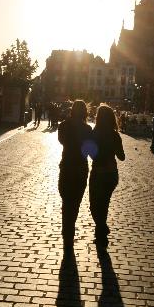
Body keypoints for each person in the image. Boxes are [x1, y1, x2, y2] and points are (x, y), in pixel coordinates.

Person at [58, 99, 93, 251]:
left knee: (66, 202)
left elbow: (61, 141)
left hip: (66, 167)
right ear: (85, 111)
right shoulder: (87, 129)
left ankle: (66, 232)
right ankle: (70, 231)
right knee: (75, 203)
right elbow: (90, 151)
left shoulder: (63, 125)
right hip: (80, 169)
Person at [89, 104, 125, 248]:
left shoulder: (94, 132)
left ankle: (101, 233)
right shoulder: (114, 134)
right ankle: (102, 230)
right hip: (111, 174)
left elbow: (89, 153)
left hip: (98, 173)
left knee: (94, 205)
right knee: (103, 204)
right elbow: (121, 157)